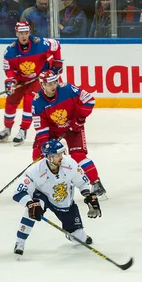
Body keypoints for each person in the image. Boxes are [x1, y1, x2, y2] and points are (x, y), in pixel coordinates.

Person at [12, 139, 102, 257]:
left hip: (64, 202)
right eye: (57, 155)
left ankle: (73, 234)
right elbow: (19, 192)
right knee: (33, 208)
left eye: (61, 154)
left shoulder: (70, 164)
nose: (61, 157)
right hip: (43, 196)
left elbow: (82, 182)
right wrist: (29, 203)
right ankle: (20, 242)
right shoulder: (35, 171)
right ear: (49, 157)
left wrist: (89, 196)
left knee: (79, 238)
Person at [31, 71, 107, 199]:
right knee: (38, 153)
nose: (53, 86)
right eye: (49, 84)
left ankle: (96, 183)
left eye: (54, 82)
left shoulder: (67, 89)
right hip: (53, 130)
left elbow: (89, 100)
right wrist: (45, 145)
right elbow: (41, 127)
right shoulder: (37, 102)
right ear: (42, 85)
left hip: (73, 127)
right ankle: (44, 185)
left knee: (78, 156)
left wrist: (79, 119)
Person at [0, 22, 62, 145]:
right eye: (21, 33)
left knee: (29, 100)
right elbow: (8, 69)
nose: (24, 36)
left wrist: (57, 62)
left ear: (29, 32)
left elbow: (56, 45)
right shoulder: (10, 50)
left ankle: (23, 130)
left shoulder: (40, 44)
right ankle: (7, 128)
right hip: (21, 79)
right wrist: (11, 81)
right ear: (16, 34)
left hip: (37, 78)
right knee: (11, 100)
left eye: (26, 33)